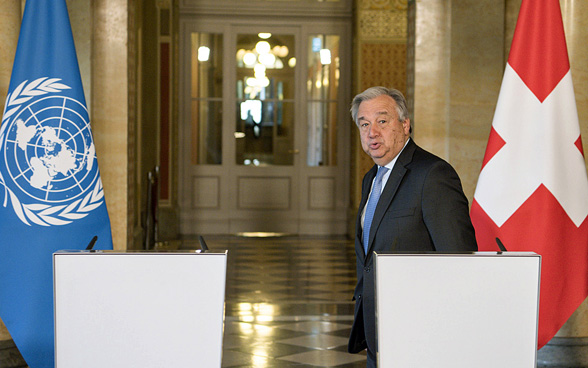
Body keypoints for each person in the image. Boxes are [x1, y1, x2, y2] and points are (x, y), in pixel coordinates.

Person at [347, 86, 478, 367]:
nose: (372, 133)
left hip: (422, 333)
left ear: (405, 125)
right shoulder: (371, 179)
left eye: (382, 121)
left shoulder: (433, 175)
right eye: (364, 124)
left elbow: (459, 259)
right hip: (379, 330)